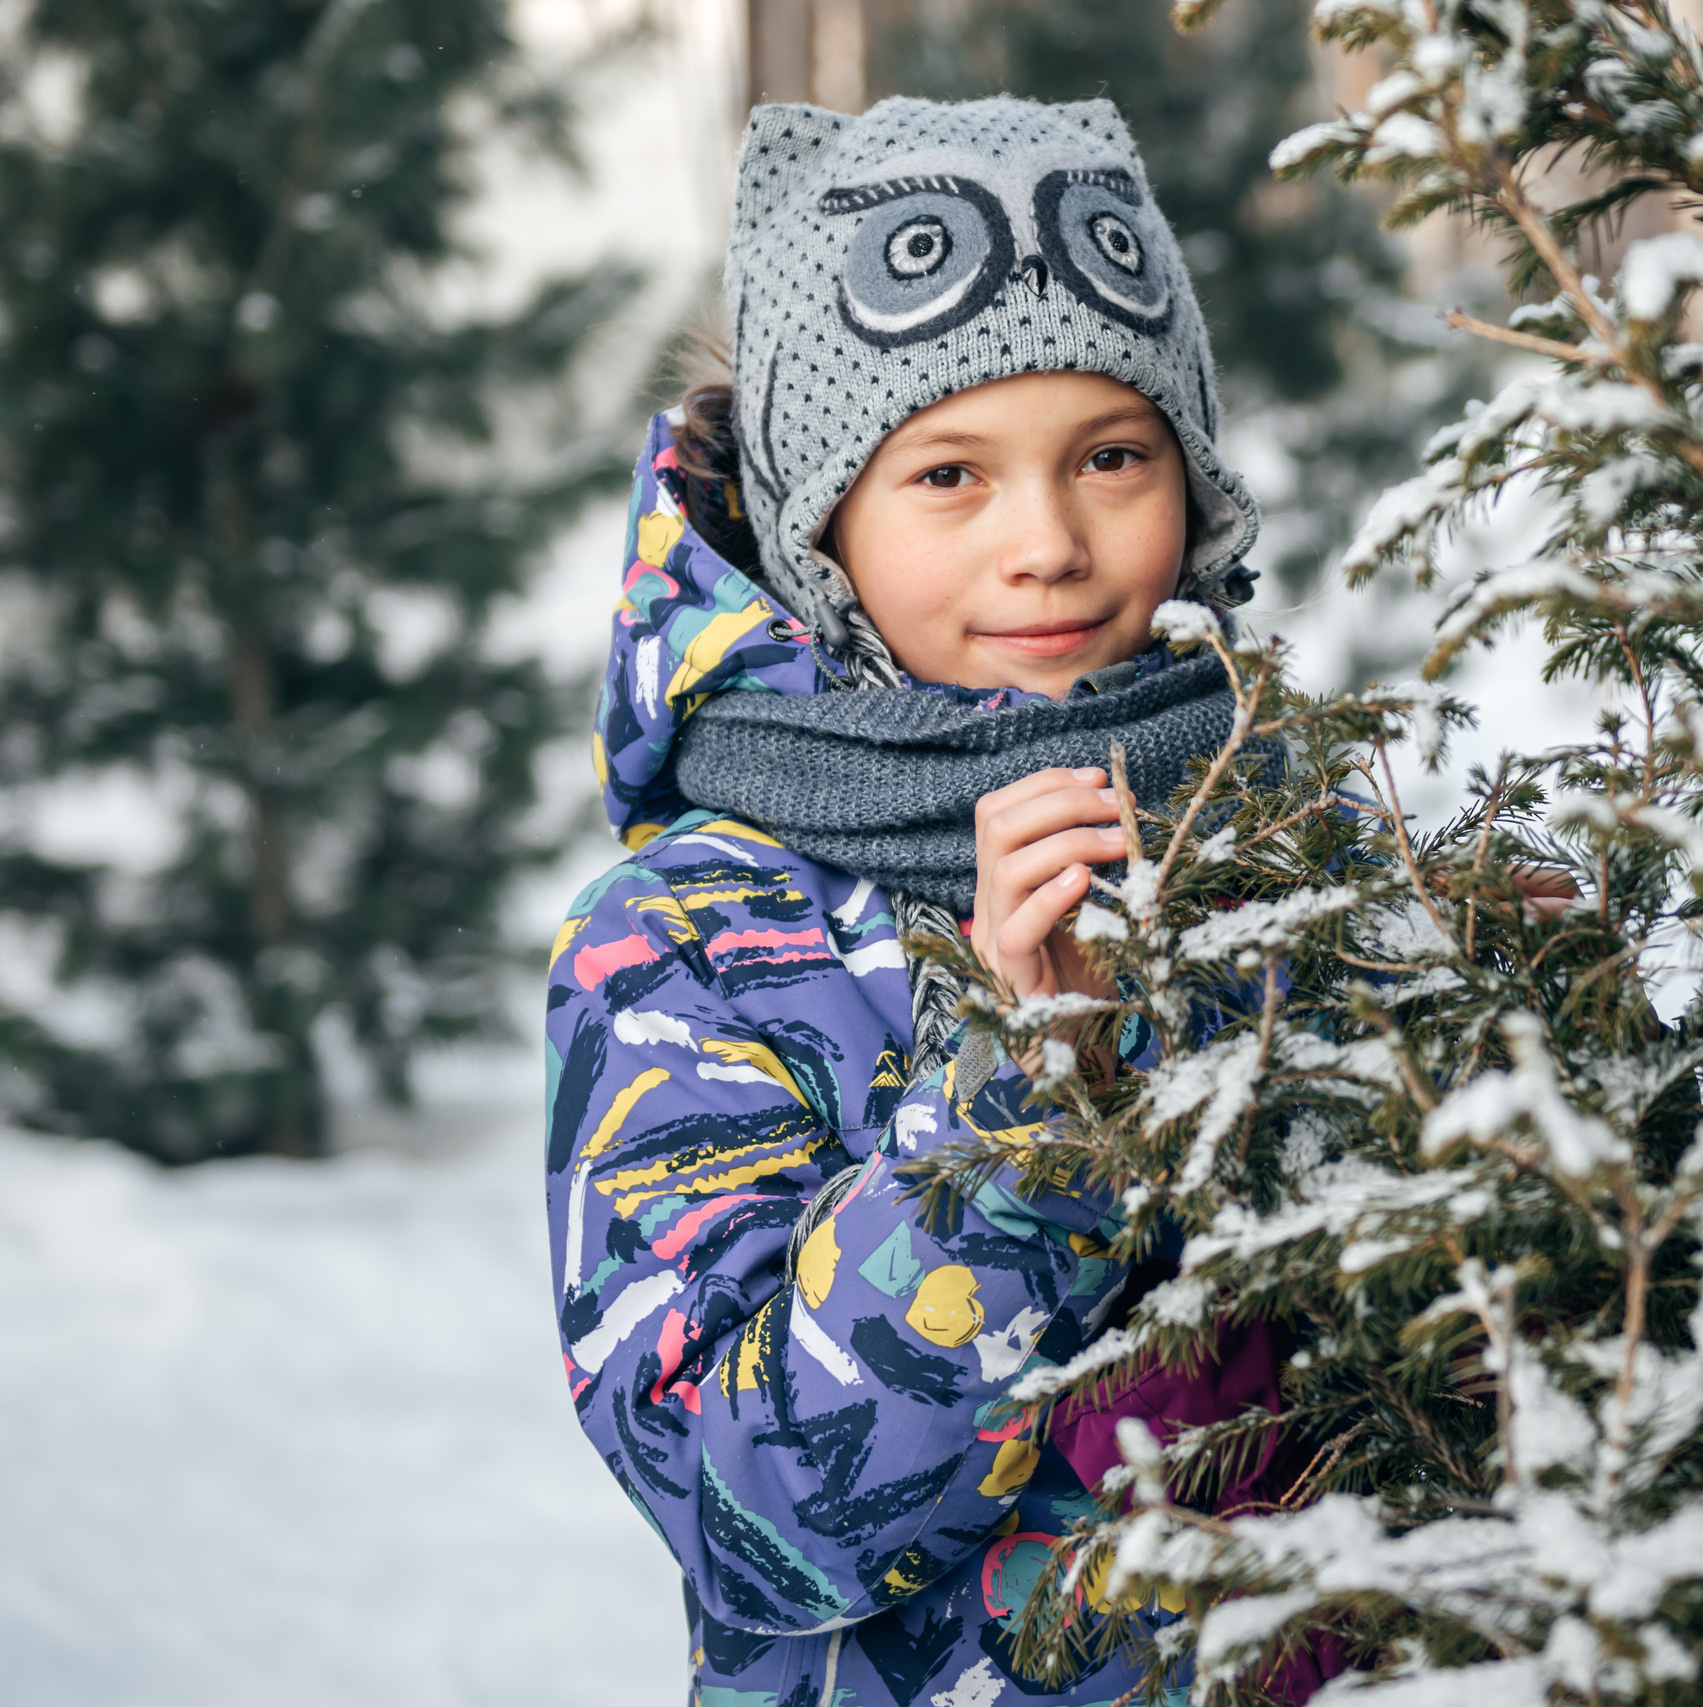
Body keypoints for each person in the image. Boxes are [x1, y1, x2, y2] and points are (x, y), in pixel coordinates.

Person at [547, 95, 1278, 1707]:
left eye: (1112, 455)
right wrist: (1029, 1103)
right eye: (949, 473)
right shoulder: (690, 944)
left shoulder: (1299, 845)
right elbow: (752, 1514)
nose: (1049, 545)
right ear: (820, 530)